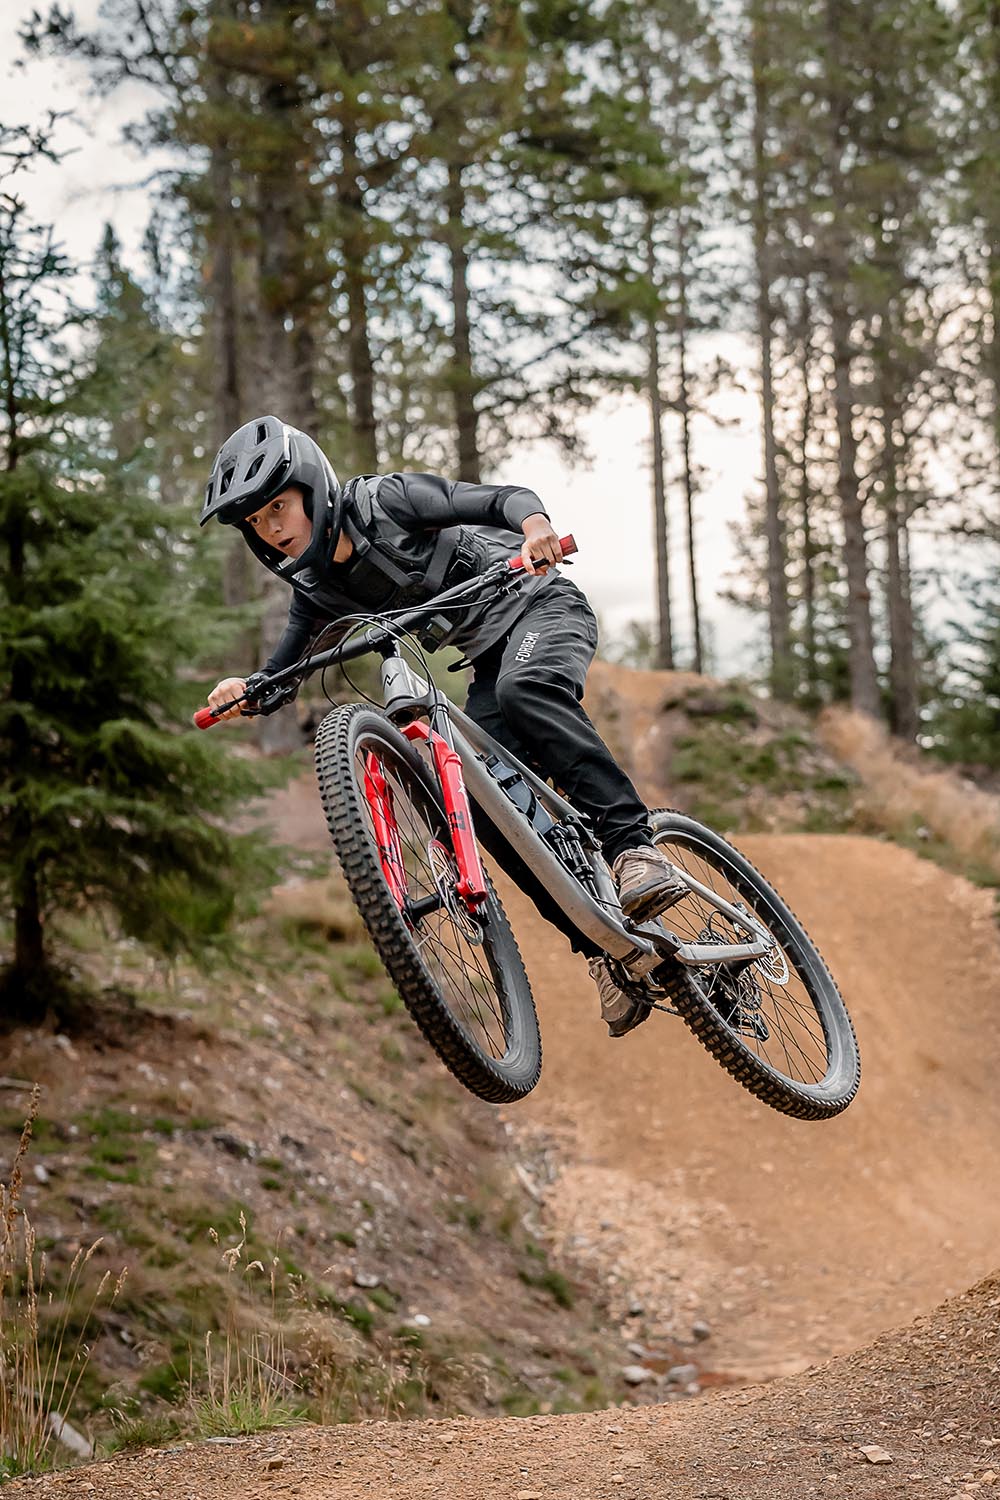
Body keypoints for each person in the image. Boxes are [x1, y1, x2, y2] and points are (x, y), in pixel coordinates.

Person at [201, 415, 685, 1037]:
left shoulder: (385, 502)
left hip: (543, 605)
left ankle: (633, 847)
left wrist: (535, 528)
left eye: (278, 508)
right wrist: (249, 692)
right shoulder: (316, 588)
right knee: (486, 806)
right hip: (485, 656)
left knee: (526, 690)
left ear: (313, 491)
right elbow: (285, 668)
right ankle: (603, 953)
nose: (272, 530)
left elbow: (496, 500)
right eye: (258, 524)